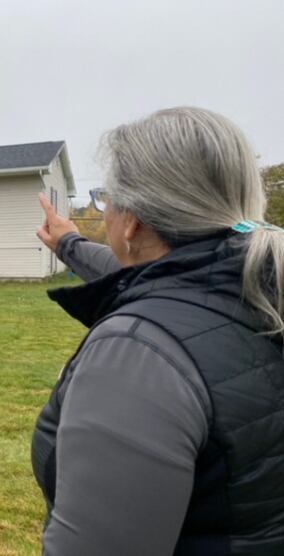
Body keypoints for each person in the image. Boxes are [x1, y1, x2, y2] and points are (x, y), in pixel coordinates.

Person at [31, 107, 284, 555]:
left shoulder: (137, 355)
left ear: (132, 221)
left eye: (107, 198)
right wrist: (68, 242)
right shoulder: (257, 288)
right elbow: (144, 271)